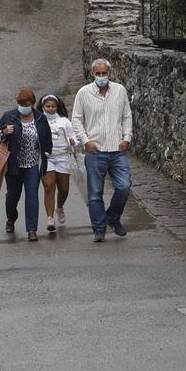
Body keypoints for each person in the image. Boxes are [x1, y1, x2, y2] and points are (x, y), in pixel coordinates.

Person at [70, 58, 133, 242]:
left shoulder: (120, 91)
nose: (101, 77)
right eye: (98, 74)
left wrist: (127, 137)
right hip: (95, 150)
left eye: (104, 73)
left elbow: (127, 116)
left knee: (124, 186)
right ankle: (99, 228)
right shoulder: (84, 93)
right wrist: (86, 141)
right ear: (93, 74)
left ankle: (112, 216)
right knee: (95, 193)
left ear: (109, 73)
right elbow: (76, 119)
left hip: (117, 149)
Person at [0, 89, 51, 241]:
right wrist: (3, 132)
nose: (22, 107)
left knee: (32, 196)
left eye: (25, 104)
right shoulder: (9, 116)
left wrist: (47, 153)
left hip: (32, 165)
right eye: (20, 104)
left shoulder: (40, 118)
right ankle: (11, 219)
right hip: (13, 165)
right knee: (12, 196)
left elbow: (47, 136)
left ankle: (32, 229)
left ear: (32, 103)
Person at [38, 92, 79, 235]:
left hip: (62, 158)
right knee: (49, 186)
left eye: (53, 106)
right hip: (47, 158)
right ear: (42, 107)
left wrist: (72, 141)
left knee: (64, 188)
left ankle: (59, 207)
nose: (50, 109)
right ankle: (50, 218)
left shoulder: (64, 121)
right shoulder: (38, 121)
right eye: (47, 106)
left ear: (57, 107)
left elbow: (73, 135)